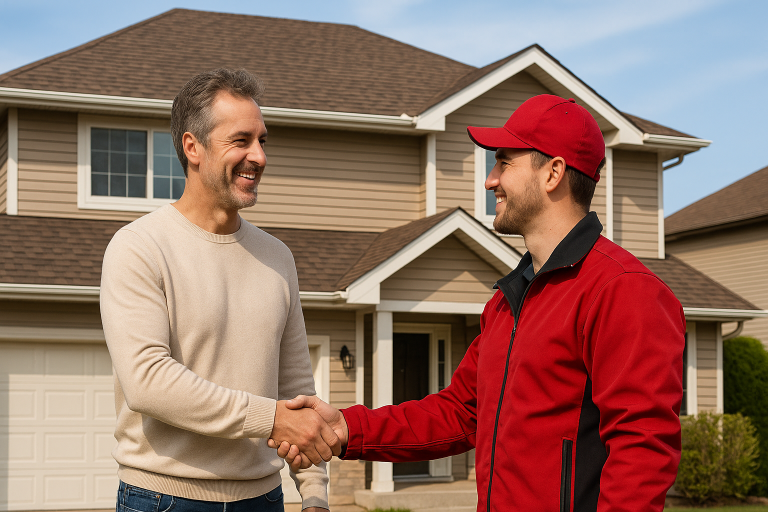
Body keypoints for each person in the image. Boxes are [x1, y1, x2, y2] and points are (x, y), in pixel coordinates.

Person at [272, 94, 686, 512]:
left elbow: (642, 450)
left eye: (504, 162)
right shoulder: (508, 301)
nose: (490, 180)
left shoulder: (623, 291)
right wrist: (345, 428)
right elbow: (459, 412)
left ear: (553, 173)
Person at [100, 68, 339, 512]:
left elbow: (295, 387)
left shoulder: (277, 257)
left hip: (263, 499)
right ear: (193, 147)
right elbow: (148, 382)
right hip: (162, 499)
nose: (259, 156)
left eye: (263, 140)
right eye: (241, 140)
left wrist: (314, 493)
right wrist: (270, 418)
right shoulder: (139, 247)